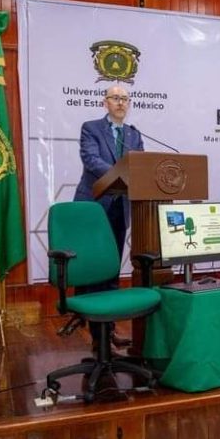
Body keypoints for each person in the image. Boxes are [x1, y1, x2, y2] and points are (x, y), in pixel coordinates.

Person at [73, 85, 143, 351]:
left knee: (111, 270)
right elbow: (91, 160)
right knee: (93, 269)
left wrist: (134, 175)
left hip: (118, 207)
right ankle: (96, 335)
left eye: (125, 99)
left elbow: (141, 164)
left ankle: (110, 329)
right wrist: (122, 175)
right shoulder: (91, 128)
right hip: (93, 205)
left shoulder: (133, 135)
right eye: (115, 98)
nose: (121, 103)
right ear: (105, 102)